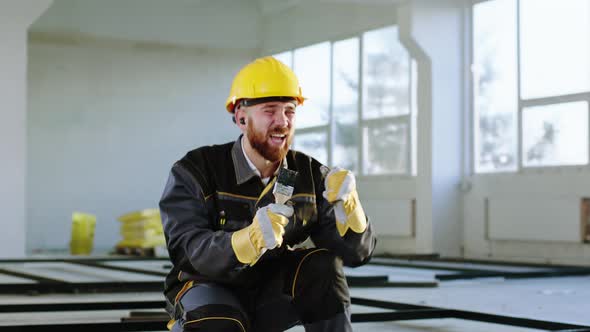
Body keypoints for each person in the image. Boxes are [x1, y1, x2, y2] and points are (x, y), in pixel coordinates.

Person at [159, 56, 376, 332]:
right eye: (270, 111)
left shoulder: (309, 173)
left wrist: (351, 211)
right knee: (222, 323)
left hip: (270, 290)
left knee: (324, 269)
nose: (282, 122)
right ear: (240, 116)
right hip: (208, 285)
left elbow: (356, 256)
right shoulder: (197, 170)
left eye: (289, 111)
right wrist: (246, 241)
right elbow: (187, 249)